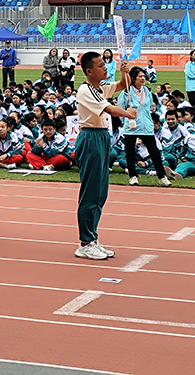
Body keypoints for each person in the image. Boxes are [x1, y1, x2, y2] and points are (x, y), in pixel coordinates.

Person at [74, 52, 133, 260]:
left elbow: (123, 85)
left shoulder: (101, 87)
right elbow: (109, 109)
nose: (105, 67)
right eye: (100, 65)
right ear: (89, 71)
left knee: (100, 193)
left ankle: (92, 237)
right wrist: (127, 113)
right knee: (90, 192)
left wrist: (126, 72)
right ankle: (85, 242)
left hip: (101, 137)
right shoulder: (85, 90)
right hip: (90, 137)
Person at [117, 66, 171, 187]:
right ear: (133, 78)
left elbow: (149, 107)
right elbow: (120, 109)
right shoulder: (126, 92)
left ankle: (162, 176)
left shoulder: (147, 91)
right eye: (140, 76)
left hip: (146, 126)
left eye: (143, 76)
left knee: (154, 151)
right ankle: (133, 176)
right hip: (131, 126)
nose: (142, 78)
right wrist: (127, 120)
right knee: (130, 152)